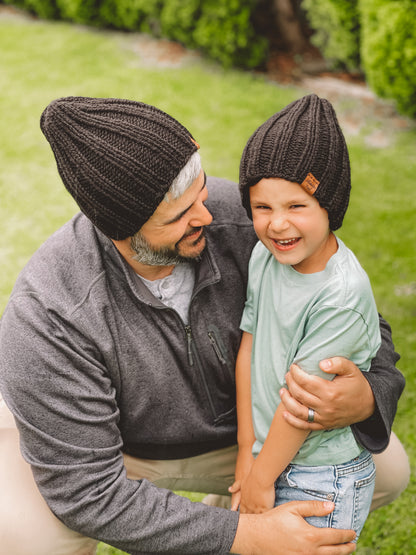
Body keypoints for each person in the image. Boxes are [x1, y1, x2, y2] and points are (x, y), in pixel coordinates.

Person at [0, 96, 408, 555]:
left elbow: (362, 321)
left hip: (245, 432)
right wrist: (248, 538)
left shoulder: (251, 216)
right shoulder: (51, 313)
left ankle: (229, 506)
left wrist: (368, 396)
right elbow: (88, 494)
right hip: (110, 450)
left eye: (201, 193)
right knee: (27, 536)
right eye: (180, 216)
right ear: (120, 231)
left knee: (387, 469)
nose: (208, 217)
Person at [230, 94, 382, 540]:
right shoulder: (265, 257)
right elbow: (249, 347)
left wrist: (260, 480)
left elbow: (304, 404)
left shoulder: (341, 296)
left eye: (296, 206)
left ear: (329, 207)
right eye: (263, 207)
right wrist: (246, 452)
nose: (277, 225)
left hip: (321, 475)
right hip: (266, 454)